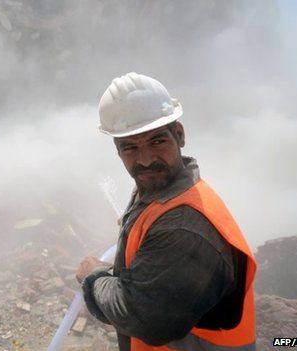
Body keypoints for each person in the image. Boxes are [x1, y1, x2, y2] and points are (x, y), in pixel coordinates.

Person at [76, 73, 257, 351]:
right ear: (118, 151)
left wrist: (95, 277)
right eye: (131, 148)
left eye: (157, 141)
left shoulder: (183, 227)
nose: (146, 160)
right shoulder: (159, 192)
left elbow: (145, 318)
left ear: (180, 135)